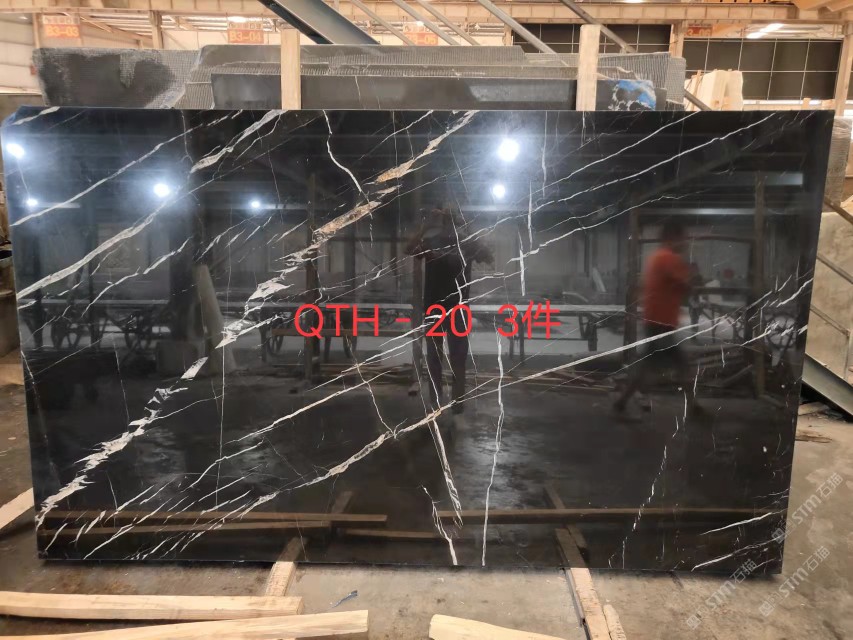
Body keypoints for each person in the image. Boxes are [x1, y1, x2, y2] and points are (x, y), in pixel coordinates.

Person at [406, 205, 493, 423]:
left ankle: (445, 403)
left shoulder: (459, 242)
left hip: (442, 307)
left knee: (443, 358)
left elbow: (488, 256)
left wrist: (427, 225)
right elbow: (409, 249)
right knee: (452, 358)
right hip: (449, 308)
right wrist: (429, 226)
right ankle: (452, 403)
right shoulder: (457, 242)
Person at [613, 220, 703, 420]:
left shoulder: (657, 257)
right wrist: (693, 271)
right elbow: (690, 285)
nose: (685, 242)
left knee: (651, 367)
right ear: (673, 237)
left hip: (656, 322)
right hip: (662, 324)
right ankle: (694, 406)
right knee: (679, 366)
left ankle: (622, 402)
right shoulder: (669, 259)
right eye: (683, 238)